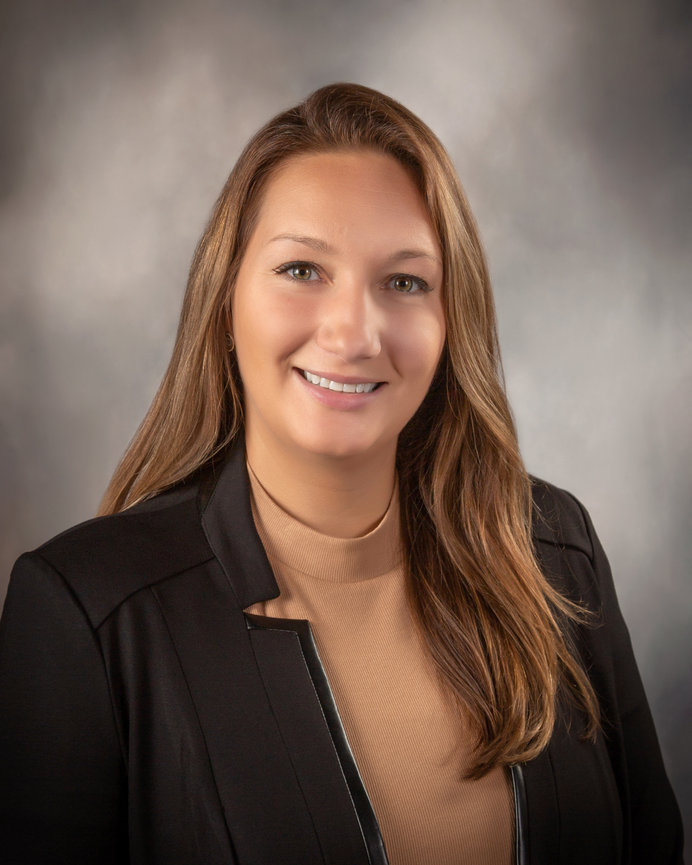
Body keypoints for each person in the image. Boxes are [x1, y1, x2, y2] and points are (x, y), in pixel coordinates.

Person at [0, 83, 683, 865]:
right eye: (301, 269)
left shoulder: (555, 552)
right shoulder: (87, 614)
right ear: (225, 301)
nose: (354, 333)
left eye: (404, 281)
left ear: (449, 318)